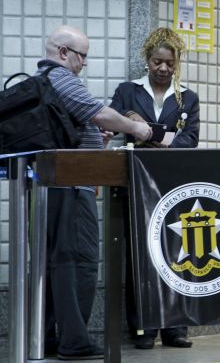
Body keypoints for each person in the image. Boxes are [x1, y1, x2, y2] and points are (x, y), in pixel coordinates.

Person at [40, 26, 153, 360]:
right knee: (80, 262)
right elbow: (99, 112)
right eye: (82, 55)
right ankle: (74, 342)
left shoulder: (43, 81)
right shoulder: (62, 79)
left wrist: (94, 140)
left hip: (57, 189)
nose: (84, 63)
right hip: (73, 190)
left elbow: (74, 129)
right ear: (64, 53)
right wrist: (137, 128)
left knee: (59, 263)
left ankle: (50, 337)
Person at [109, 27, 199, 349]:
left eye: (170, 63)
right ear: (146, 59)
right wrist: (131, 121)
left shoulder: (188, 97)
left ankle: (175, 329)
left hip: (174, 185)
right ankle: (143, 329)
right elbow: (113, 122)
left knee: (176, 254)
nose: (163, 68)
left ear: (177, 64)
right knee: (139, 256)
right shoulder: (128, 91)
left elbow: (190, 139)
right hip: (136, 183)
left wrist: (152, 136)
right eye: (157, 61)